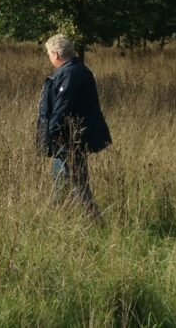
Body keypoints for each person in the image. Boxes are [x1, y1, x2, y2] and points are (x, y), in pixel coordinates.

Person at [37, 34, 112, 217]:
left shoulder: (69, 73)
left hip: (68, 138)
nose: (49, 57)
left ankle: (94, 220)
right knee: (61, 179)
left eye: (49, 53)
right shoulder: (77, 70)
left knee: (77, 183)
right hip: (68, 137)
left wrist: (52, 134)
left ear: (56, 54)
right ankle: (59, 217)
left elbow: (62, 107)